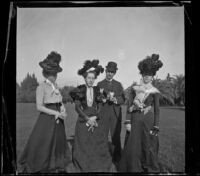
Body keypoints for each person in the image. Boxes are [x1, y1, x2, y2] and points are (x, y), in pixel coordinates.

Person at [18, 51, 71, 173]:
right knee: (44, 142)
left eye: (55, 74)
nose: (54, 76)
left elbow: (60, 101)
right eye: (52, 74)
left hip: (59, 118)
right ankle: (41, 163)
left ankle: (56, 163)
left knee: (58, 141)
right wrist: (55, 113)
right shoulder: (41, 87)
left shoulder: (56, 86)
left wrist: (62, 108)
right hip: (47, 118)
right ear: (46, 74)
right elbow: (39, 107)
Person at [119, 54, 163, 172]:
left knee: (146, 144)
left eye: (149, 75)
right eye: (145, 75)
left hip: (148, 121)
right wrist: (128, 121)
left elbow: (157, 110)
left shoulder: (155, 92)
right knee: (133, 146)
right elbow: (129, 105)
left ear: (153, 76)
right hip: (135, 119)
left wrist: (156, 125)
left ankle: (146, 166)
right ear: (142, 75)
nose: (146, 77)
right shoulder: (135, 89)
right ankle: (133, 167)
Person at [69, 60, 113, 172]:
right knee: (84, 141)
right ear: (85, 78)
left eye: (93, 78)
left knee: (97, 142)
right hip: (83, 118)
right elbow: (77, 108)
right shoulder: (80, 90)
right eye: (89, 78)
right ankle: (83, 160)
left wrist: (95, 117)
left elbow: (100, 106)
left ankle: (98, 161)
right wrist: (87, 118)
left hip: (95, 118)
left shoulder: (97, 90)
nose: (91, 80)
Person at [97, 62, 125, 168]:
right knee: (102, 134)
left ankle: (117, 157)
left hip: (115, 113)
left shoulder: (118, 84)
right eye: (108, 71)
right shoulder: (100, 84)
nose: (110, 73)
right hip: (103, 112)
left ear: (115, 73)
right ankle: (102, 155)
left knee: (115, 136)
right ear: (105, 71)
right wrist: (102, 99)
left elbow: (123, 99)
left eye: (112, 72)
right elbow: (97, 99)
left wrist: (116, 99)